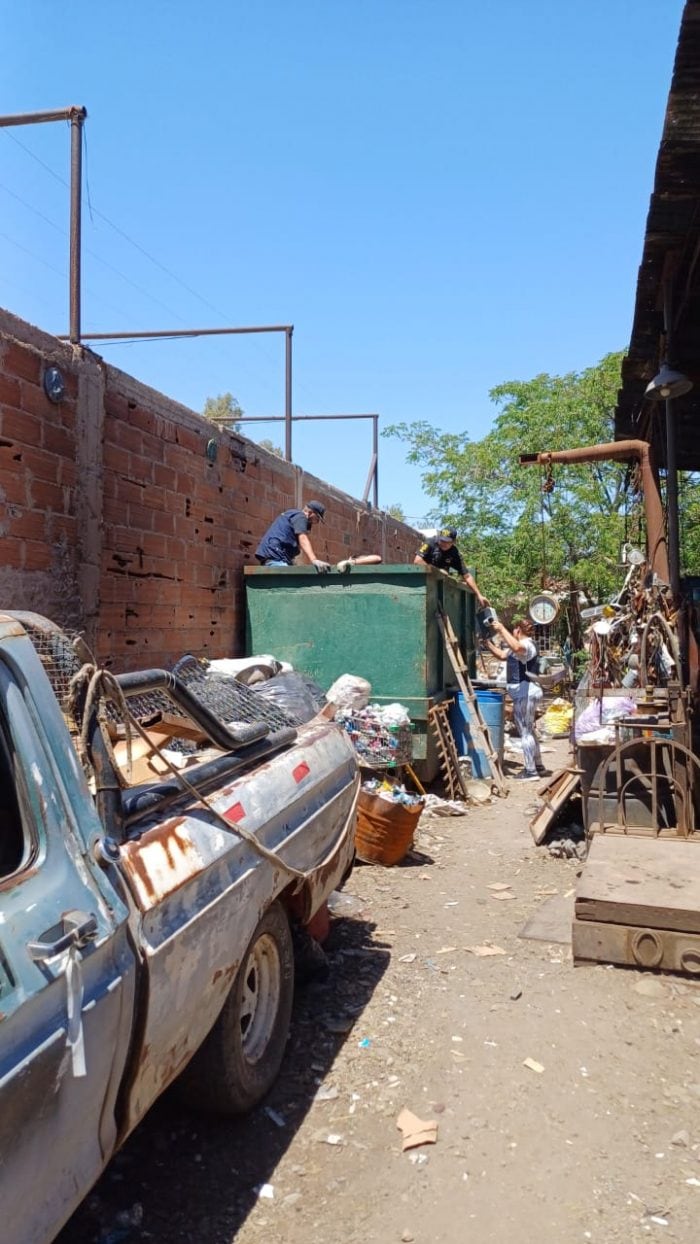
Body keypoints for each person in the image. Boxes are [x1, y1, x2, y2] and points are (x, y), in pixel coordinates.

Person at [484, 617, 548, 780]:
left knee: (525, 731)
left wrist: (501, 629)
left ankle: (530, 771)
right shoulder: (520, 646)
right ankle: (538, 765)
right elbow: (503, 655)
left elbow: (517, 647)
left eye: (513, 630)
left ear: (518, 630)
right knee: (529, 730)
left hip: (526, 693)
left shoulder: (526, 644)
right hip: (524, 693)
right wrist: (487, 644)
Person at [414, 527, 488, 605]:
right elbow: (417, 561)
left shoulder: (454, 553)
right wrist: (438, 571)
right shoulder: (430, 542)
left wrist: (479, 595)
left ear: (454, 542)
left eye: (447, 541)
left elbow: (467, 576)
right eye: (442, 540)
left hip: (439, 587)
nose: (443, 543)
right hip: (422, 582)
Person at [256, 501, 331, 572]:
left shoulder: (292, 514)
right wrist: (314, 560)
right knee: (289, 581)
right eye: (317, 518)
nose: (317, 522)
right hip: (276, 555)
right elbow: (303, 538)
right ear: (311, 513)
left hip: (273, 555)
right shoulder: (301, 517)